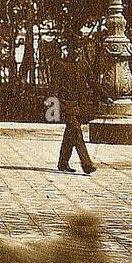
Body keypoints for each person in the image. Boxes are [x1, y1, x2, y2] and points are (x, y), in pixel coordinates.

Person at [50, 42, 97, 175]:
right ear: (68, 50)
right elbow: (54, 88)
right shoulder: (60, 65)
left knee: (70, 135)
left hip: (80, 106)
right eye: (74, 48)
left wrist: (105, 97)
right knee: (76, 132)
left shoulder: (84, 65)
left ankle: (62, 163)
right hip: (66, 105)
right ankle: (87, 164)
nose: (76, 51)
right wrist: (52, 108)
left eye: (78, 48)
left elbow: (93, 83)